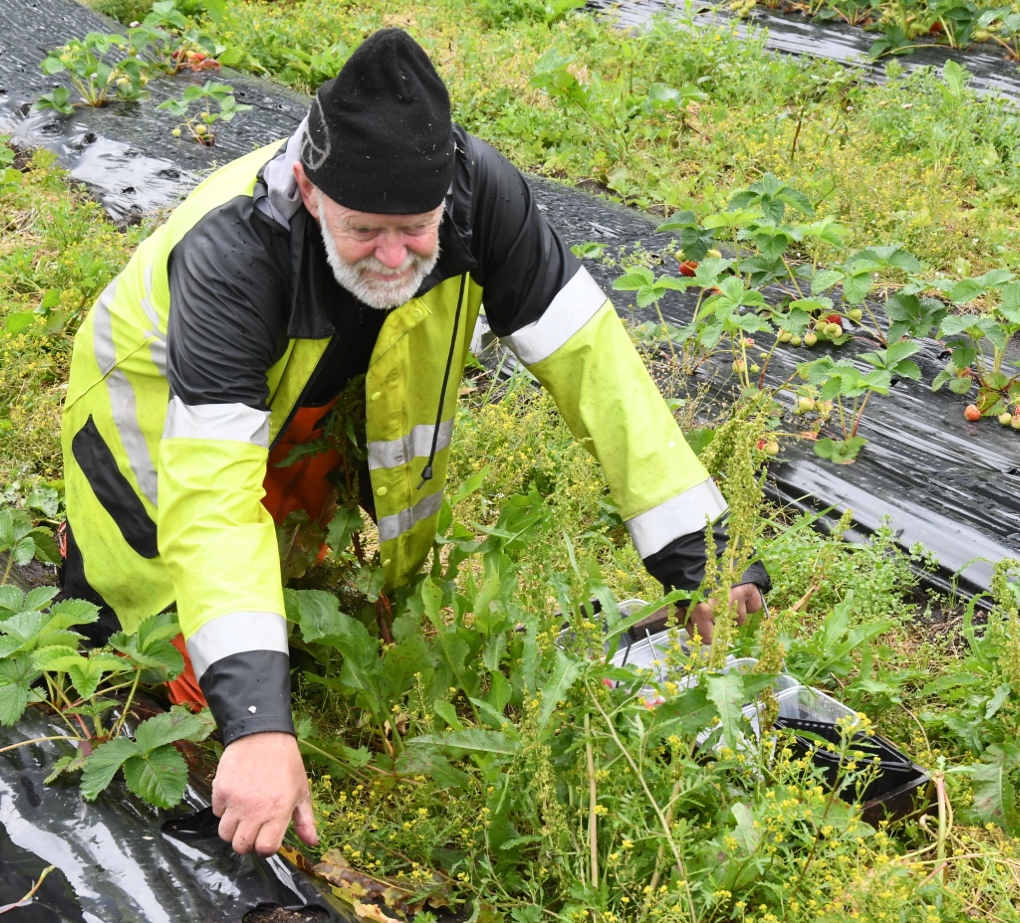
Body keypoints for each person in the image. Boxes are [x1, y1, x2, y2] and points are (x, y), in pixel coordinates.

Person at [57, 29, 770, 857]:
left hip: (301, 419)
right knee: (168, 684)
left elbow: (597, 369)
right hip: (147, 462)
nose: (394, 256)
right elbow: (210, 505)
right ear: (308, 189)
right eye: (364, 231)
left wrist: (703, 559)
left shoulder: (482, 197)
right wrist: (255, 725)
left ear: (447, 196)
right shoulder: (236, 254)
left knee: (289, 582)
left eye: (415, 229)